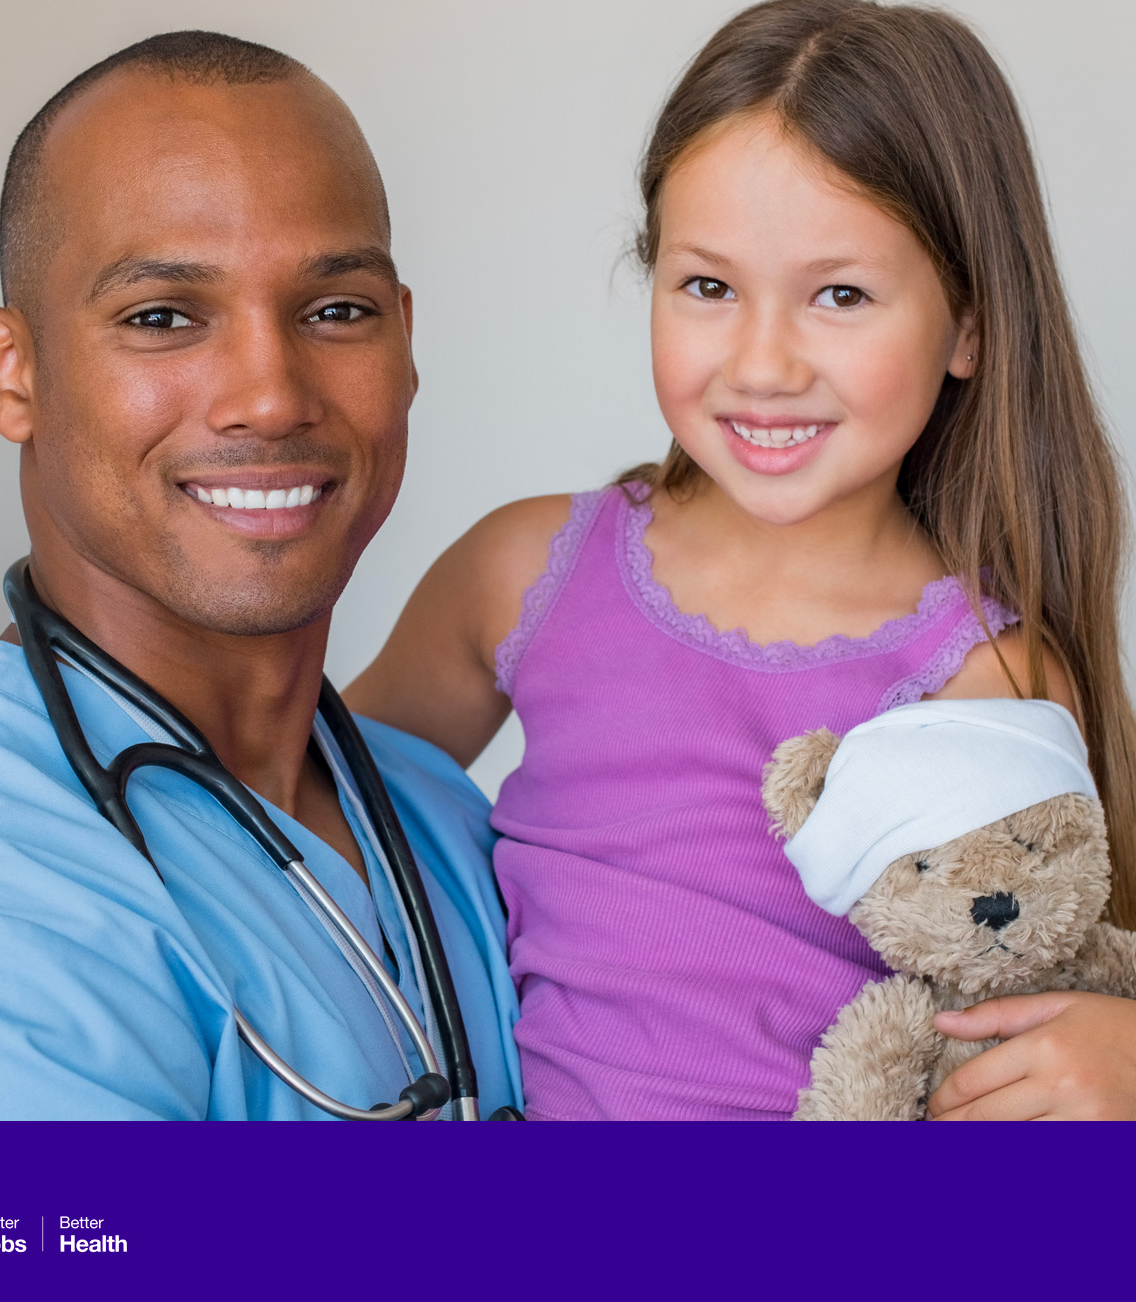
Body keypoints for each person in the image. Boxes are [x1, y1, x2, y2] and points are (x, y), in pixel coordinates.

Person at [347, 0, 1136, 1120]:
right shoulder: (524, 574)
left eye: (840, 294)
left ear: (967, 325)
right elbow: (307, 821)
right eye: (709, 287)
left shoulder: (993, 679)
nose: (763, 365)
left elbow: (1043, 1013)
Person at [0, 32, 522, 1120]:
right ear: (11, 373)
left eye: (337, 310)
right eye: (162, 317)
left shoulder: (432, 814)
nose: (271, 395)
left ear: (406, 343)